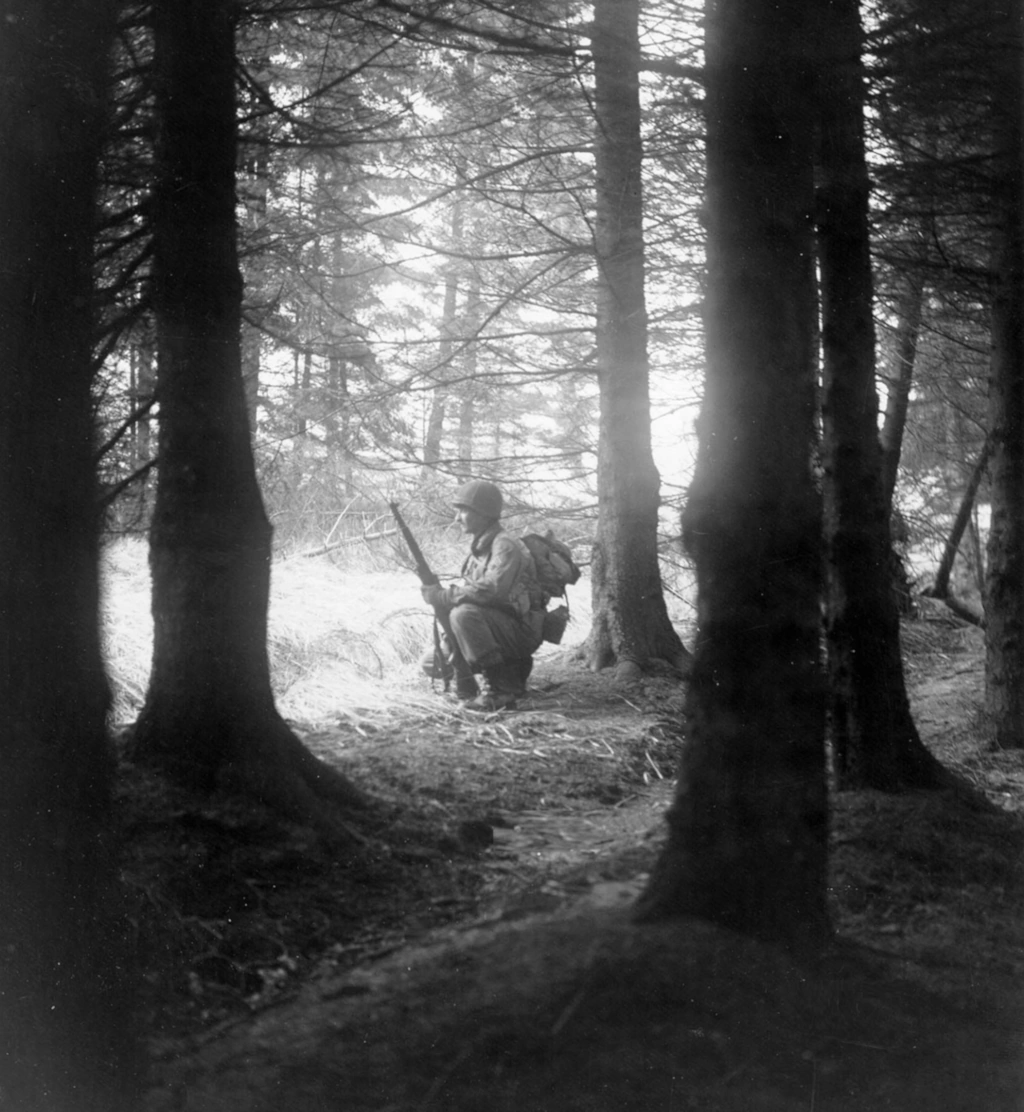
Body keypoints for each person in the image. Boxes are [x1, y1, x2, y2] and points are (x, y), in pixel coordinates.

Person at [421, 480, 544, 710]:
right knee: (432, 662)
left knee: (462, 615)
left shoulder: (505, 545)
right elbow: (474, 592)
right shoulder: (481, 547)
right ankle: (474, 684)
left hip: (520, 632)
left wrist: (444, 597)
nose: (457, 518)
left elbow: (491, 591)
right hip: (499, 626)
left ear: (484, 514)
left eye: (464, 510)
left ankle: (501, 689)